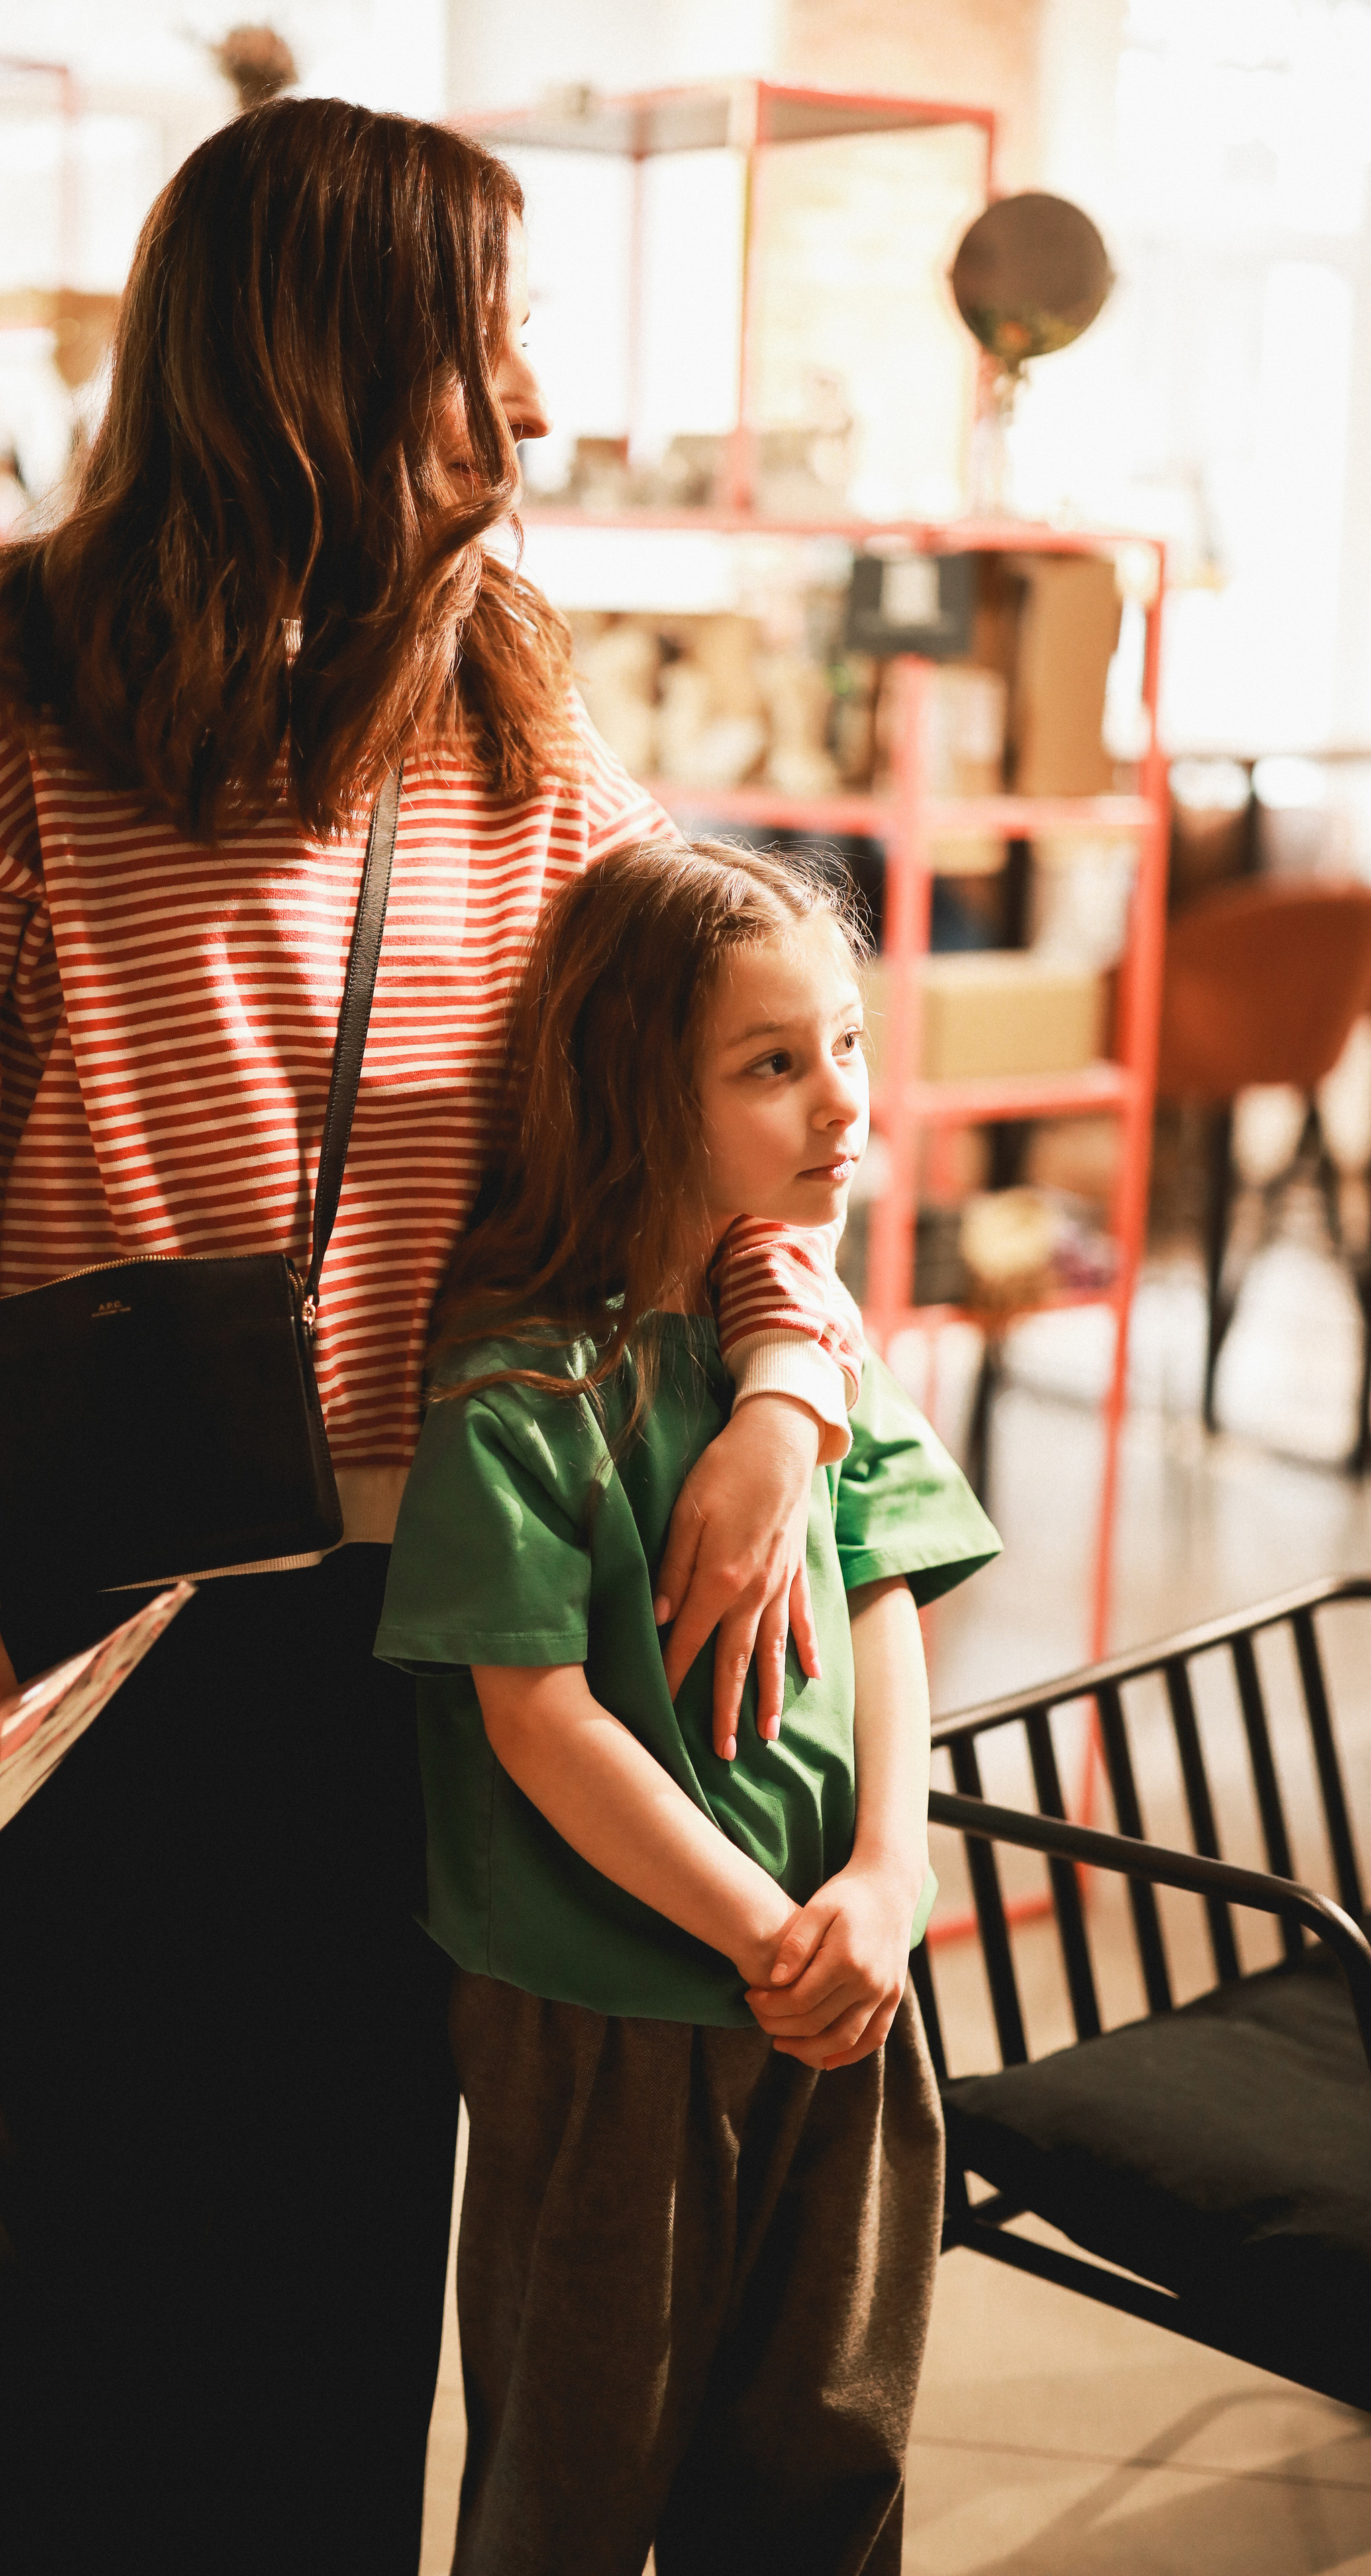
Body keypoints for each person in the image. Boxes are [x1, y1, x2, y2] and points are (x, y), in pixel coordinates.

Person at [0, 103, 866, 2573]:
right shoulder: (9, 681)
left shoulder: (506, 704)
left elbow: (698, 1093)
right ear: (312, 368)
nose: (536, 414)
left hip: (448, 1631)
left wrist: (786, 1388)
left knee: (358, 2270)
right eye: (481, 352)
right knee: (97, 2264)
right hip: (118, 1618)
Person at [376, 841, 1001, 2575]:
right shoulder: (515, 1394)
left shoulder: (805, 1361)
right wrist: (761, 1933)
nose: (842, 1106)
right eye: (773, 1066)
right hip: (609, 2023)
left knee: (830, 2451)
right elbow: (539, 1720)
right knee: (577, 2479)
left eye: (851, 1044)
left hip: (850, 1995)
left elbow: (881, 1593)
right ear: (636, 1093)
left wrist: (886, 1882)